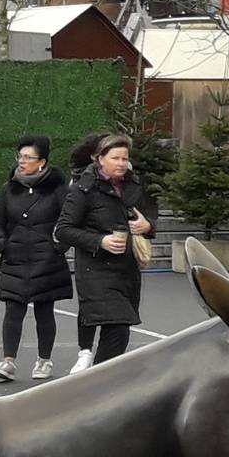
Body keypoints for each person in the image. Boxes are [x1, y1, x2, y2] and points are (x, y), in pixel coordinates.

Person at [57, 133, 156, 370]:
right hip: (95, 271)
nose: (121, 163)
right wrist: (100, 241)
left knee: (119, 331)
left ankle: (101, 379)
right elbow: (63, 229)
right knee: (118, 324)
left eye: (125, 158)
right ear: (99, 159)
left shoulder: (134, 185)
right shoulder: (84, 189)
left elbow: (150, 218)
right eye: (115, 158)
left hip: (127, 271)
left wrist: (148, 226)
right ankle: (101, 381)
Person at [0, 134, 71, 382]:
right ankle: (8, 361)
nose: (22, 162)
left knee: (44, 311)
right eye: (20, 156)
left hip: (47, 260)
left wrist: (57, 247)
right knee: (13, 309)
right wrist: (2, 244)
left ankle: (44, 360)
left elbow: (68, 221)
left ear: (42, 162)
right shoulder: (9, 188)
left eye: (28, 157)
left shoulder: (57, 189)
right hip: (15, 258)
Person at [60, 132, 107, 370]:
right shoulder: (80, 184)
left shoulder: (126, 180)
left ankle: (105, 359)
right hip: (89, 252)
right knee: (88, 303)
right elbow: (67, 225)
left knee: (117, 311)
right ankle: (85, 351)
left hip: (118, 257)